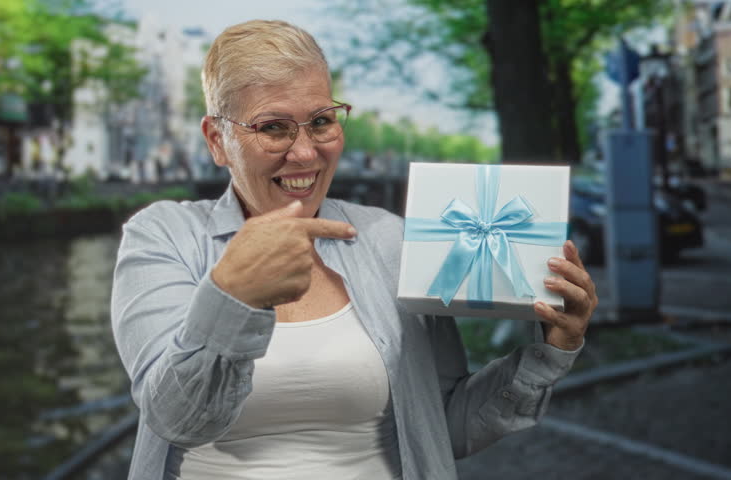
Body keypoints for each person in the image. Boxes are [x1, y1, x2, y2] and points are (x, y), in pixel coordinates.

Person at [111, 20, 598, 480]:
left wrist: (554, 349)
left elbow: (442, 425)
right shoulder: (164, 237)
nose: (304, 153)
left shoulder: (389, 239)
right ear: (218, 140)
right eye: (274, 128)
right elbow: (177, 418)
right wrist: (234, 296)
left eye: (321, 121)